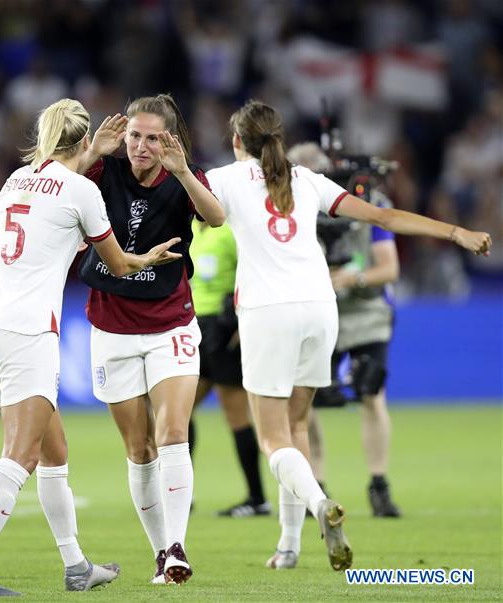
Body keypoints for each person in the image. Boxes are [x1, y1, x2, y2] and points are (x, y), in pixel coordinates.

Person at [204, 100, 491, 572]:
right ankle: (289, 547)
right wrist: (456, 231)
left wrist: (178, 169)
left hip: (268, 311)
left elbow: (191, 206)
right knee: (297, 427)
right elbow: (383, 217)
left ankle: (320, 504)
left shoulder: (225, 178)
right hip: (321, 308)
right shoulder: (307, 180)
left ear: (237, 141)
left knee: (272, 439)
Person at [0, 98, 182, 596]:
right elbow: (118, 264)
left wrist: (89, 154)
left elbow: (52, 230)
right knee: (20, 455)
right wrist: (150, 257)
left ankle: (76, 566)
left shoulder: (15, 181)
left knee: (54, 451)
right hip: (30, 333)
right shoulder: (82, 190)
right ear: (84, 140)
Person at [76, 93, 226, 585]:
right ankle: (161, 551)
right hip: (112, 327)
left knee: (172, 433)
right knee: (139, 448)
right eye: (134, 136)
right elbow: (56, 189)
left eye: (152, 138)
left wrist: (182, 172)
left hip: (170, 325)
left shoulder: (186, 176)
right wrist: (92, 152)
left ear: (169, 140)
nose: (140, 146)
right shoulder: (103, 170)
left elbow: (216, 217)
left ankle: (178, 548)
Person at [287, 142, 402, 518]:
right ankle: (315, 483)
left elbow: (389, 268)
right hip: (317, 310)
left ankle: (379, 483)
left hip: (366, 312)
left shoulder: (370, 203)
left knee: (371, 392)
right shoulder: (284, 206)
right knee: (305, 398)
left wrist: (354, 278)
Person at [188, 219, 270, 518]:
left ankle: (257, 498)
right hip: (192, 325)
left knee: (235, 415)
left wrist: (242, 320)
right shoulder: (190, 228)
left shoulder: (231, 230)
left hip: (223, 327)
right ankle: (181, 492)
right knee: (179, 411)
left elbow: (255, 273)